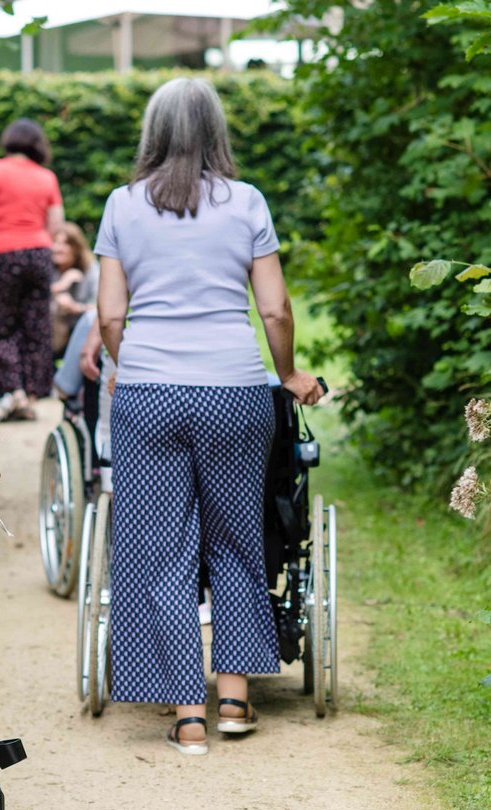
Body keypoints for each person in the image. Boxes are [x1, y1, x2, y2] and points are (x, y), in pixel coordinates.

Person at [94, 78, 324, 756]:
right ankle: (234, 698)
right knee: (238, 539)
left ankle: (187, 714)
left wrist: (126, 361)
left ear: (152, 132)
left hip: (149, 392)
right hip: (234, 389)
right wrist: (287, 373)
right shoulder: (247, 201)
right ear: (218, 130)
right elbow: (275, 309)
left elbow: (110, 314)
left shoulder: (121, 205)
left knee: (160, 550)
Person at [0, 118, 64, 421]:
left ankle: (12, 393)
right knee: (35, 327)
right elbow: (56, 225)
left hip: (2, 255)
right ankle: (31, 395)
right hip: (39, 255)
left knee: (2, 325)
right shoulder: (47, 177)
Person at [50, 222, 97, 358]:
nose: (57, 249)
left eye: (64, 244)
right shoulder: (48, 267)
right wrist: (61, 285)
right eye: (55, 243)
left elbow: (101, 308)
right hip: (53, 332)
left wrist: (76, 308)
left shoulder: (91, 269)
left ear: (76, 248)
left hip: (81, 330)